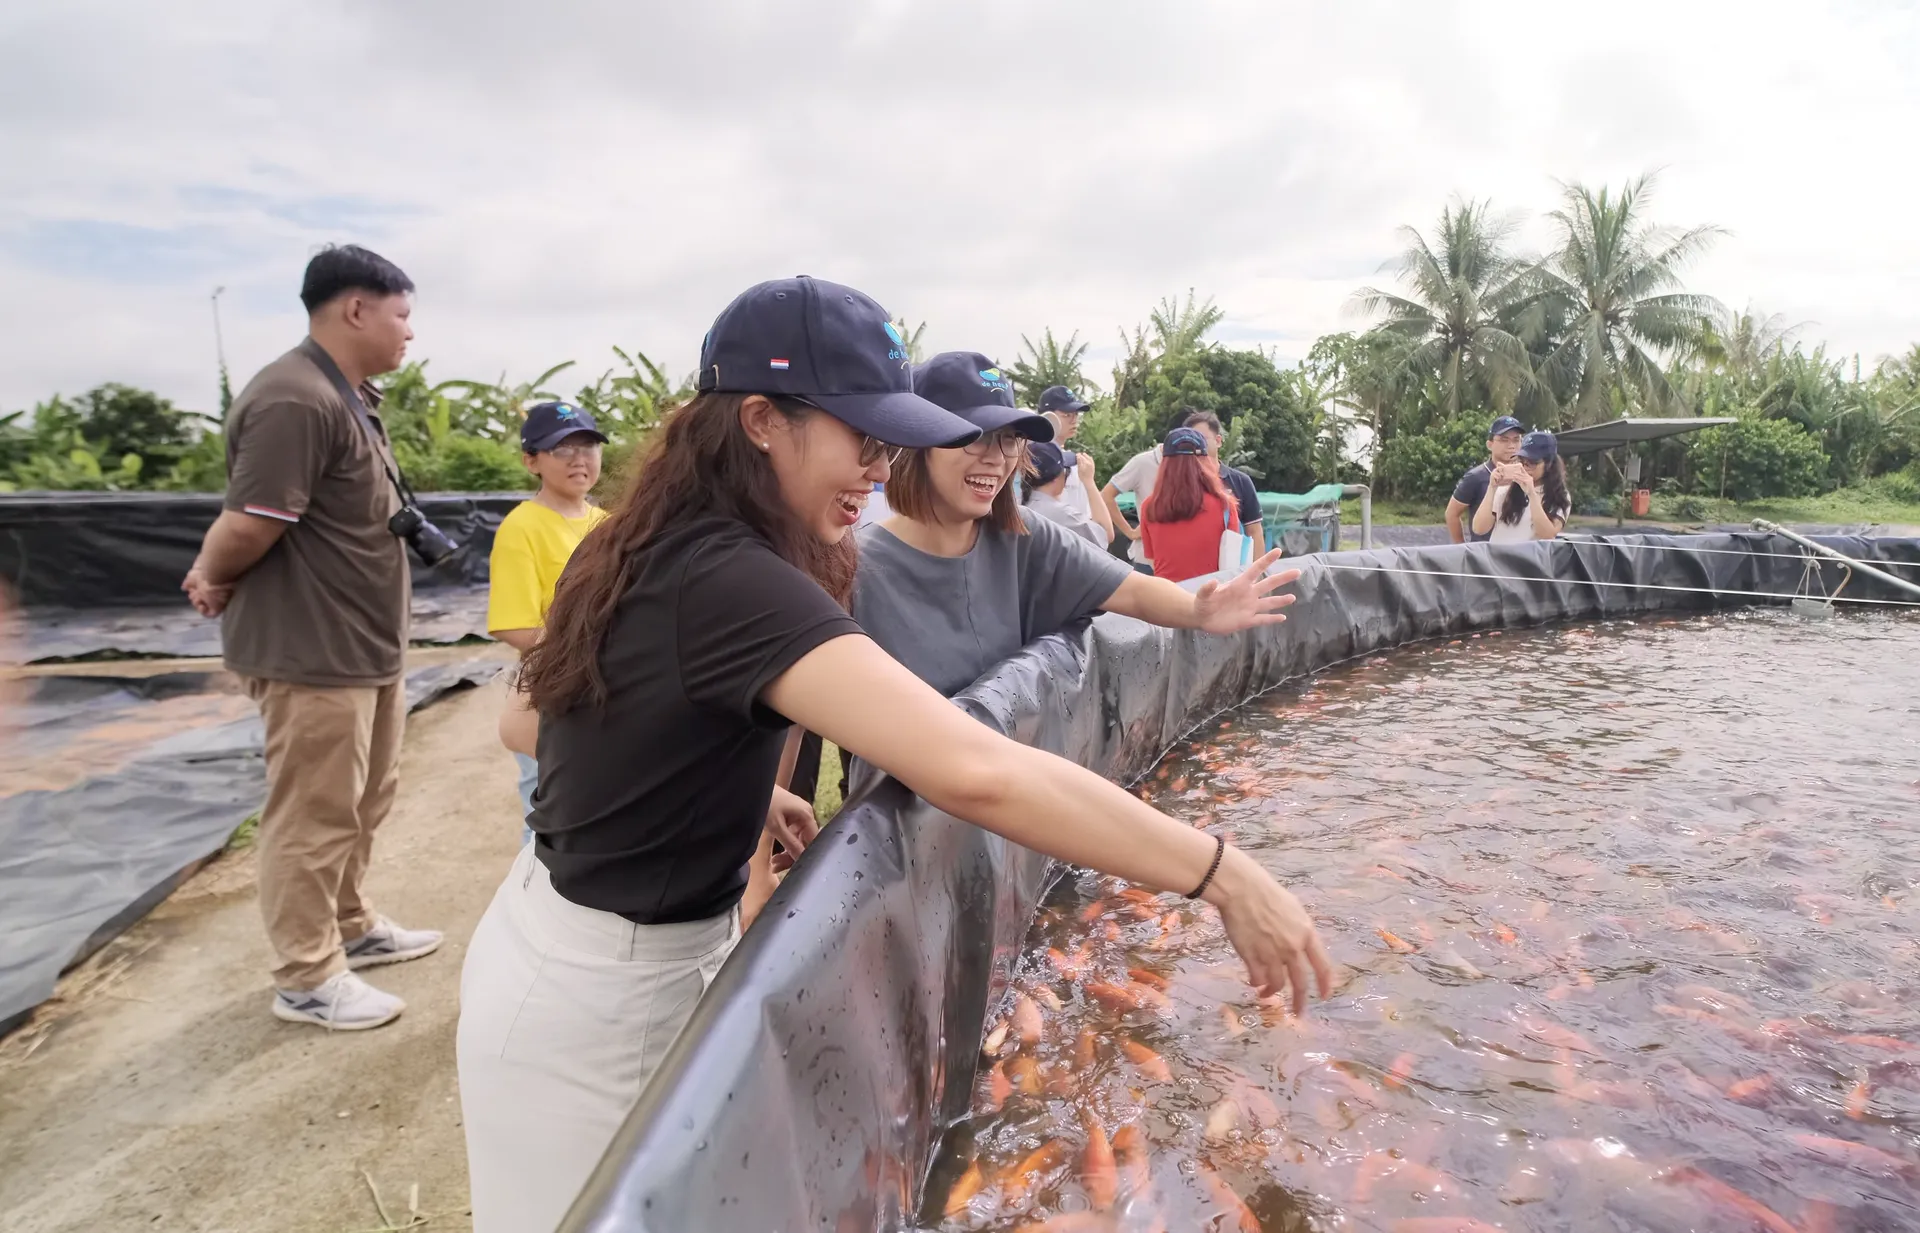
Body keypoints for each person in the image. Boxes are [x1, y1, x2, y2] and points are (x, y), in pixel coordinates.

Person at [456, 278, 1332, 1233]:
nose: (879, 468)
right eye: (862, 438)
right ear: (760, 420)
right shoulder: (735, 577)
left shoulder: (648, 540)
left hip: (579, 931)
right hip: (601, 999)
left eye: (889, 443)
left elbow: (533, 719)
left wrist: (729, 792)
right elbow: (976, 769)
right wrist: (1219, 871)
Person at [181, 244, 442, 1031]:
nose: (408, 334)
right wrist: (208, 572)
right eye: (401, 315)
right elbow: (254, 519)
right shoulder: (295, 397)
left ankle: (351, 925)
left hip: (363, 644)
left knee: (365, 798)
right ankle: (305, 973)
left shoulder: (351, 395)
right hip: (311, 649)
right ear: (355, 309)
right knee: (314, 812)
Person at [857, 350, 1302, 699]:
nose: (995, 457)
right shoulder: (858, 568)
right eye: (973, 436)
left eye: (1009, 438)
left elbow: (1129, 588)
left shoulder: (1024, 537)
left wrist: (1198, 611)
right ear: (919, 442)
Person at [486, 400, 610, 843]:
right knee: (548, 803)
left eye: (588, 446)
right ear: (531, 461)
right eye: (562, 449)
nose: (579, 459)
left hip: (607, 682)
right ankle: (534, 900)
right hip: (556, 685)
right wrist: (588, 652)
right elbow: (512, 624)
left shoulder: (607, 523)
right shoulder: (522, 527)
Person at [1140, 427, 1243, 584]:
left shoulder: (1149, 507)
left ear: (1165, 463)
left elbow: (1153, 560)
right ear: (1205, 461)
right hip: (1212, 598)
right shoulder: (1225, 506)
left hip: (1166, 600)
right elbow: (1232, 561)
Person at [1180, 409, 1266, 556]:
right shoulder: (1179, 483)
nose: (1196, 445)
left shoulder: (1241, 482)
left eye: (1202, 439)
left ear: (1218, 441)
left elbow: (1254, 531)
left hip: (1232, 569)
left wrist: (1257, 574)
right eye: (1191, 441)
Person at [1473, 429, 1570, 543]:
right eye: (1521, 461)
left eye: (1532, 463)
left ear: (1549, 464)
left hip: (1529, 559)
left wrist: (1532, 494)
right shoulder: (1506, 490)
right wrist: (1492, 487)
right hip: (1497, 558)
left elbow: (1547, 535)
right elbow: (1479, 528)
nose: (1525, 467)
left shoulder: (1559, 495)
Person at [1447, 415, 1525, 544]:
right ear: (1490, 444)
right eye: (1504, 440)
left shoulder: (1529, 475)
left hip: (1518, 555)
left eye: (1516, 440)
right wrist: (1462, 548)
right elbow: (1452, 513)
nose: (1511, 446)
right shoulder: (1476, 477)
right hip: (1484, 555)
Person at [1023, 441, 1105, 547]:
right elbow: (1105, 535)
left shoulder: (1021, 506)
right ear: (1055, 478)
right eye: (1066, 471)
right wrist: (1089, 482)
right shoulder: (1062, 514)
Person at [1038, 385, 1097, 521]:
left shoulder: (1075, 461)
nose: (1074, 420)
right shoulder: (1035, 459)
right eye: (1066, 415)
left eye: (1076, 414)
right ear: (1048, 417)